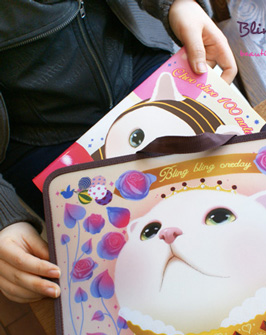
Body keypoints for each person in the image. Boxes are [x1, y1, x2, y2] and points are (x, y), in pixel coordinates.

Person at [0, 0, 237, 303]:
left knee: (227, 187)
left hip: (137, 54)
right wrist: (4, 220)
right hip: (39, 138)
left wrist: (174, 4)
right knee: (134, 275)